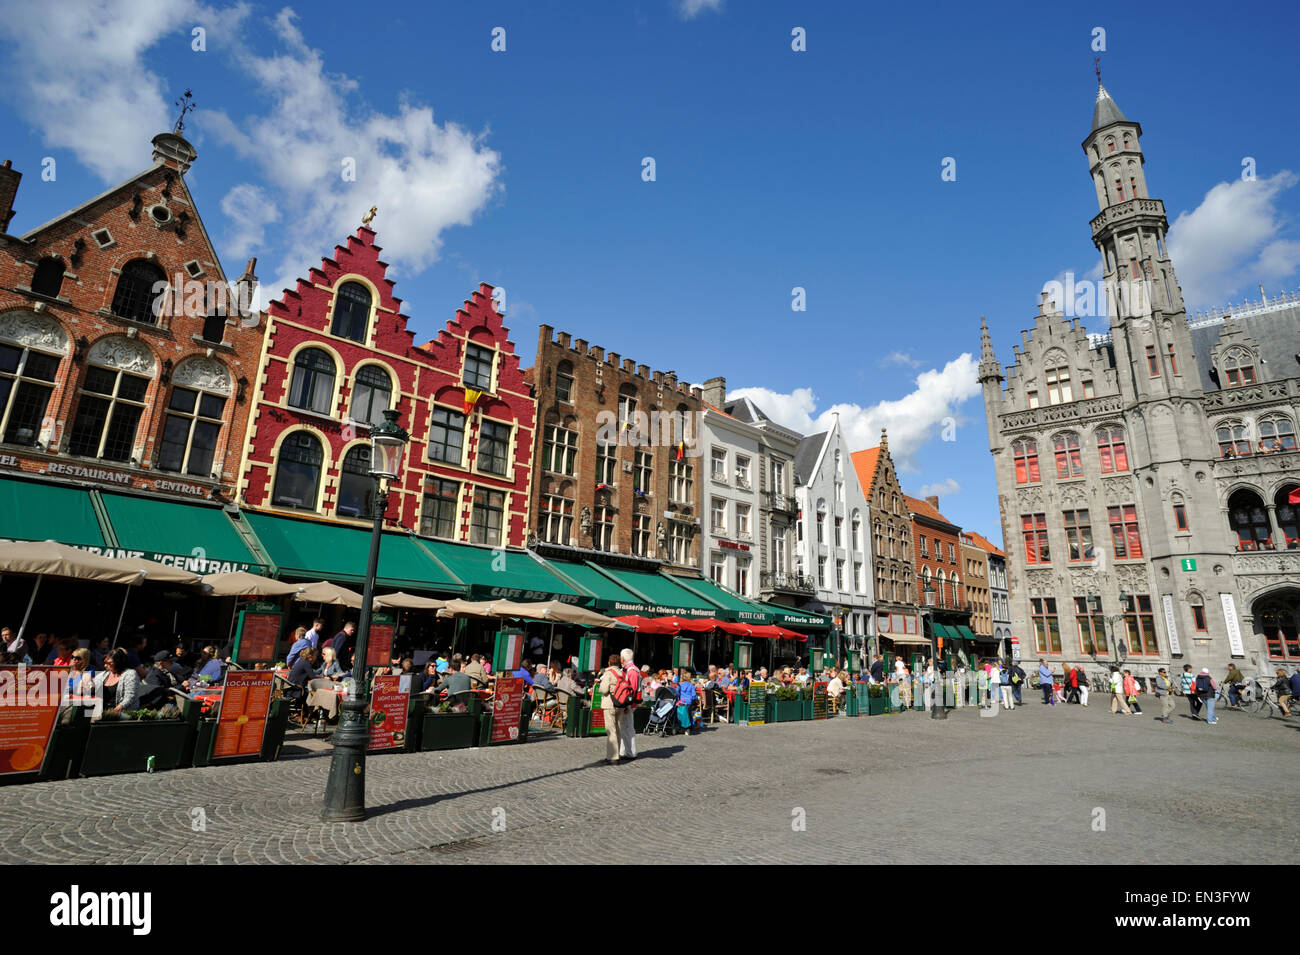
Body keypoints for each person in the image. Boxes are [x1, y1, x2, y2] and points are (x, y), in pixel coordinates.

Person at [92, 648, 140, 719]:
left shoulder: (130, 674)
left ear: (118, 662)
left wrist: (116, 710)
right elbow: (92, 687)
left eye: (109, 663)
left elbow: (130, 696)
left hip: (123, 713)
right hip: (103, 711)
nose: (105, 665)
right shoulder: (103, 674)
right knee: (84, 715)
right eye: (105, 663)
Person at [598, 654, 625, 764]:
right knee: (618, 730)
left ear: (609, 663)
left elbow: (604, 690)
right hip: (621, 704)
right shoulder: (623, 673)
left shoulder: (608, 673)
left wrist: (600, 686)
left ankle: (613, 757)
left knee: (611, 731)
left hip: (610, 704)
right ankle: (616, 754)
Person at [616, 648, 639, 760]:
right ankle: (624, 751)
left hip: (628, 703)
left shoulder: (631, 670)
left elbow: (633, 690)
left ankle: (631, 753)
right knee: (624, 727)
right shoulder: (629, 669)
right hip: (627, 703)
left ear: (623, 659)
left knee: (628, 727)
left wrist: (627, 705)